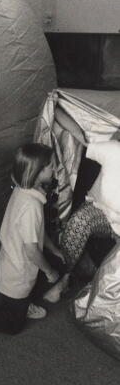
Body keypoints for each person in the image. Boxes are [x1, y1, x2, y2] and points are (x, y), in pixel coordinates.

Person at [0, 143, 64, 334]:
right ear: (37, 171)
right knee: (11, 325)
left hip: (13, 263)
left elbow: (38, 232)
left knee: (56, 263)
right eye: (50, 166)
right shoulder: (31, 207)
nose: (54, 169)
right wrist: (50, 273)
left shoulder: (25, 191)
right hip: (18, 271)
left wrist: (53, 250)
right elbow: (32, 251)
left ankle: (22, 304)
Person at [45, 108, 119, 302]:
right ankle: (64, 278)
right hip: (101, 212)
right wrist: (55, 104)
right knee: (79, 221)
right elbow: (82, 136)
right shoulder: (114, 150)